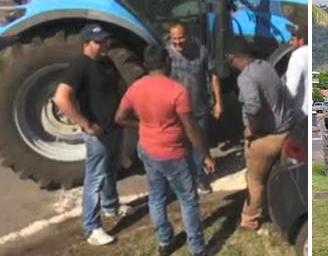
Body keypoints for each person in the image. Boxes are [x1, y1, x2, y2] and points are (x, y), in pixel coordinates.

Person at [115, 45, 215, 256]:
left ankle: (165, 241)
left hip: (148, 149)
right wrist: (205, 154)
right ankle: (197, 247)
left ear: (146, 64)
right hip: (174, 153)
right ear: (168, 62)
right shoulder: (177, 90)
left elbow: (120, 117)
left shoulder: (136, 87)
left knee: (157, 196)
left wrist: (143, 125)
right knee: (188, 199)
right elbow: (190, 127)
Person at [54, 24, 134, 246]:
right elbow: (61, 98)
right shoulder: (79, 66)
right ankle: (92, 228)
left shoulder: (106, 62)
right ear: (86, 44)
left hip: (114, 127)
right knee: (95, 178)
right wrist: (86, 124)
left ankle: (111, 206)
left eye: (105, 41)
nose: (104, 45)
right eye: (98, 42)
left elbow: (119, 88)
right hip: (97, 133)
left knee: (111, 168)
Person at [228, 45, 299, 231]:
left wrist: (251, 130)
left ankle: (249, 220)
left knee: (255, 181)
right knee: (270, 178)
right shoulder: (265, 66)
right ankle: (270, 212)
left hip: (267, 137)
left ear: (233, 58)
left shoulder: (246, 77)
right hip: (285, 131)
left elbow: (253, 106)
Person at [167, 23, 222, 194]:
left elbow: (213, 75)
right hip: (176, 110)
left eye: (181, 38)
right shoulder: (166, 54)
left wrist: (219, 101)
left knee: (199, 144)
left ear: (188, 36)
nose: (178, 43)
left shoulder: (201, 51)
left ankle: (199, 177)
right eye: (174, 39)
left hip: (199, 106)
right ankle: (182, 179)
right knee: (180, 145)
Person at [285, 21, 308, 115]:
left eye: (293, 39)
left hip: (300, 114)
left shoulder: (297, 56)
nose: (290, 42)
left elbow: (290, 90)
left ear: (301, 40)